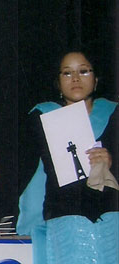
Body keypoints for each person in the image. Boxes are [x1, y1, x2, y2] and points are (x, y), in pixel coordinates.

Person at [17, 51, 118, 264]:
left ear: (96, 79)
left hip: (111, 222)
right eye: (67, 73)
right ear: (58, 82)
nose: (75, 78)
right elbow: (21, 170)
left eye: (83, 71)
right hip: (64, 223)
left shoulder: (114, 115)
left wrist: (112, 162)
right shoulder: (41, 117)